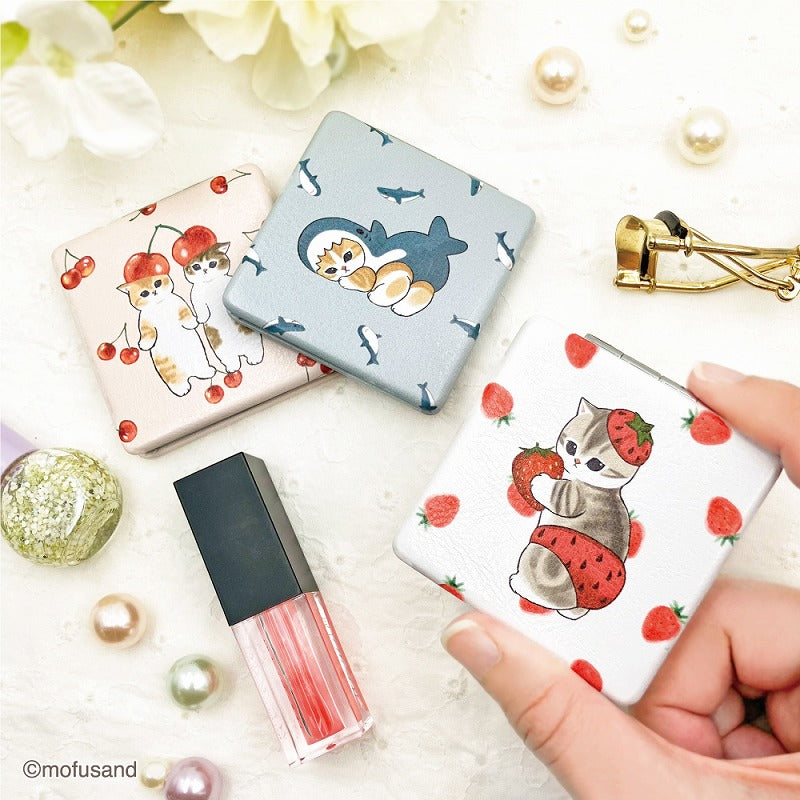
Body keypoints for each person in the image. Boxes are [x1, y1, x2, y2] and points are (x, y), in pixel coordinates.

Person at [442, 363, 800, 799]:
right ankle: (570, 603)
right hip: (597, 575)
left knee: (542, 557)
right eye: (572, 447)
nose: (576, 461)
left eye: (593, 462)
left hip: (575, 559)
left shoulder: (587, 492)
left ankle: (546, 590)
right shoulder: (609, 500)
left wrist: (540, 483)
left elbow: (561, 498)